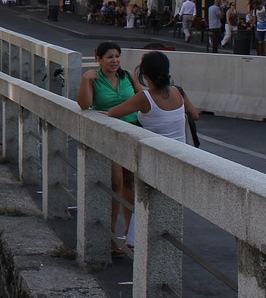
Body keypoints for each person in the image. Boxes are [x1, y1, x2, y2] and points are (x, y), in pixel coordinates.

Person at [106, 51, 200, 249]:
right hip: (179, 157)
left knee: (146, 201)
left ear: (144, 73)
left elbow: (114, 113)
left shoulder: (144, 97)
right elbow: (195, 115)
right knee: (166, 204)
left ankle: (135, 240)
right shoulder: (178, 92)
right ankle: (158, 242)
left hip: (154, 158)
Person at [76, 41, 141, 258]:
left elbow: (143, 99)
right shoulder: (94, 79)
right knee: (116, 183)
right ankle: (111, 236)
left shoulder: (128, 76)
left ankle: (130, 235)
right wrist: (85, 80)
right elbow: (84, 105)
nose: (115, 61)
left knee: (130, 182)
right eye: (110, 57)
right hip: (110, 136)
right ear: (99, 58)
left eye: (117, 56)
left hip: (132, 132)